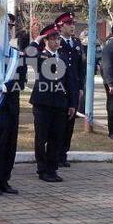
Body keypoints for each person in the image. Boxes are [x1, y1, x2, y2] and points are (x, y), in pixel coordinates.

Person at [30, 24, 78, 183]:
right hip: (42, 103)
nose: (57, 42)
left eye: (58, 39)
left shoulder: (63, 57)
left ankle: (52, 168)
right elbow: (26, 54)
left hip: (60, 104)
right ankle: (42, 169)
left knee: (56, 138)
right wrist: (37, 40)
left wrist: (72, 103)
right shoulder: (39, 56)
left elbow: (70, 82)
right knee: (41, 137)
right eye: (53, 39)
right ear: (45, 40)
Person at [0, 27, 27, 196]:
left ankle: (5, 180)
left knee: (10, 145)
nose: (7, 34)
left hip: (11, 106)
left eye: (8, 32)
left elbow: (21, 83)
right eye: (3, 31)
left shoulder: (18, 56)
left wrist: (2, 87)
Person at [55, 12, 83, 168]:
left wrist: (80, 87)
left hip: (73, 87)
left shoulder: (77, 43)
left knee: (70, 123)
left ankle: (63, 154)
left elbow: (81, 67)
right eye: (68, 24)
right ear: (61, 26)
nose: (72, 26)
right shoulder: (57, 43)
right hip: (60, 87)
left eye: (73, 24)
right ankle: (55, 153)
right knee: (60, 122)